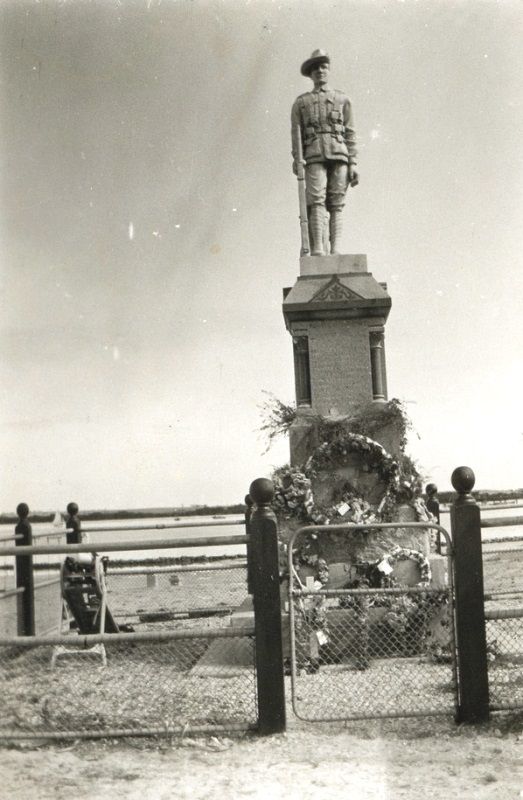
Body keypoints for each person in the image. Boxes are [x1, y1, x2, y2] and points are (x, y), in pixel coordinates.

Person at [291, 49, 358, 256]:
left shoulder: (342, 99)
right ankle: (319, 248)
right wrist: (297, 159)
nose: (320, 71)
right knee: (316, 200)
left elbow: (350, 131)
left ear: (328, 70)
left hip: (339, 153)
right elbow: (296, 134)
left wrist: (353, 162)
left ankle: (336, 249)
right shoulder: (301, 103)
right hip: (313, 155)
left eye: (323, 67)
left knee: (337, 203)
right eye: (315, 68)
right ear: (310, 74)